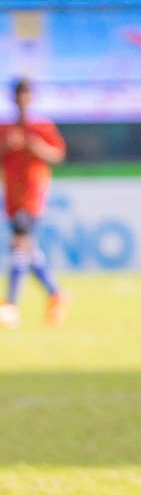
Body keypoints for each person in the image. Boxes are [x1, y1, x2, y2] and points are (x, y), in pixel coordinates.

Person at [1, 79, 69, 329]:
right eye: (18, 94)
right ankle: (56, 294)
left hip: (32, 196)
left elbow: (58, 155)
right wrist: (7, 146)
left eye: (25, 94)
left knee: (19, 243)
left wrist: (36, 147)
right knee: (26, 248)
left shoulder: (40, 127)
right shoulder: (5, 129)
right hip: (10, 196)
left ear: (31, 98)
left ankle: (11, 304)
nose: (21, 99)